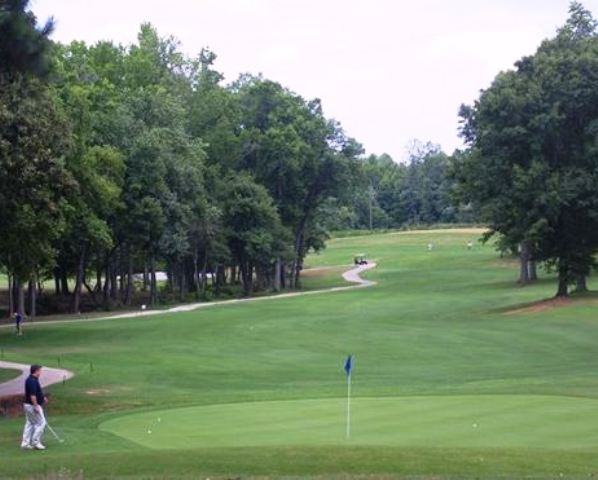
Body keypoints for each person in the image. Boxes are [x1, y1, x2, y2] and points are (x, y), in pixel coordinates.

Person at [21, 364, 48, 450]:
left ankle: (25, 444)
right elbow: (32, 395)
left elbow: (36, 392)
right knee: (41, 423)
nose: (41, 372)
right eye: (40, 370)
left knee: (30, 423)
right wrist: (36, 406)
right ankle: (35, 442)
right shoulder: (32, 381)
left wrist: (43, 397)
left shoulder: (32, 379)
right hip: (32, 405)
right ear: (36, 371)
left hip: (29, 405)